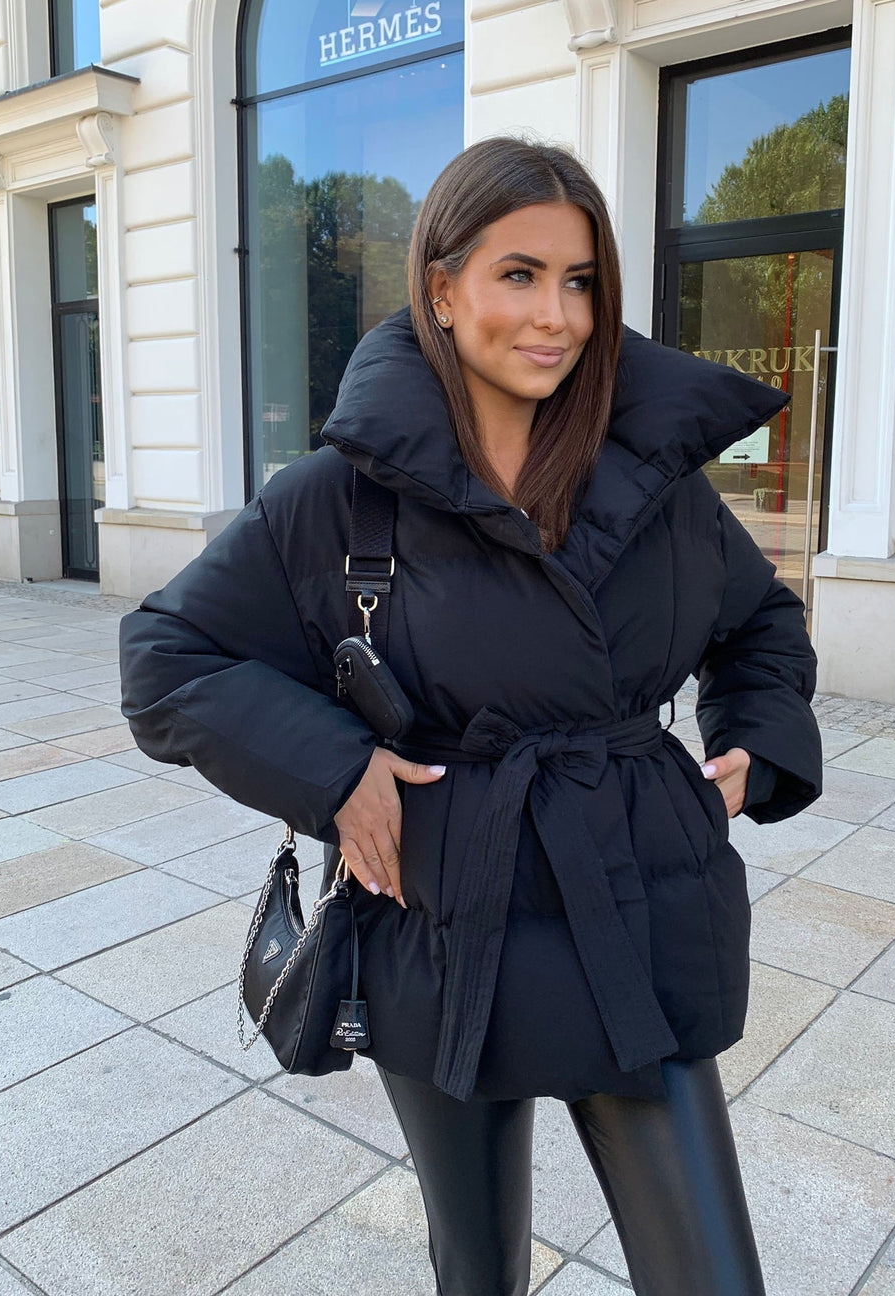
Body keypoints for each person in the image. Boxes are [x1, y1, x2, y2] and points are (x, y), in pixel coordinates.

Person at [119, 136, 822, 1296]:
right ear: (441, 290)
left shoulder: (659, 483)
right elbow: (164, 657)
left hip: (633, 904)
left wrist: (757, 738)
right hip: (443, 923)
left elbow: (763, 623)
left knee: (709, 1275)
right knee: (478, 1268)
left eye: (580, 281)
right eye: (520, 275)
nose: (557, 317)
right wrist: (337, 770)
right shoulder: (339, 499)